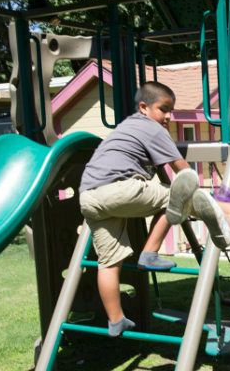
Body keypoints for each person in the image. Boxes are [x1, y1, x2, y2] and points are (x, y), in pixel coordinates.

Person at [79, 81, 193, 337]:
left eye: (171, 111)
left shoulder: (126, 126)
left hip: (88, 195)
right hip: (116, 188)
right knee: (177, 196)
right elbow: (181, 170)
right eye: (163, 109)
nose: (168, 116)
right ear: (144, 107)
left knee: (108, 262)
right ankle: (149, 253)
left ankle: (116, 319)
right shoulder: (152, 129)